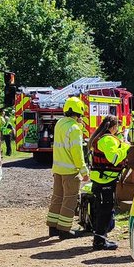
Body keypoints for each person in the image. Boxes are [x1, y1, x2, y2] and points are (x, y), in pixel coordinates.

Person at [46, 96, 89, 238]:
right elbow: (77, 152)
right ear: (79, 113)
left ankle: (53, 227)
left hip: (57, 169)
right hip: (70, 171)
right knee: (69, 200)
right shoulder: (75, 128)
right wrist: (84, 170)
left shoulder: (59, 123)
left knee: (57, 197)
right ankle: (64, 230)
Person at [88, 117, 128, 250]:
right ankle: (100, 241)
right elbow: (114, 158)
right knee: (105, 209)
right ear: (113, 127)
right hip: (105, 179)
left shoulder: (100, 138)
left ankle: (100, 238)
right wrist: (125, 147)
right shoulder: (108, 139)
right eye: (117, 126)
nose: (118, 130)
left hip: (100, 178)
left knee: (101, 209)